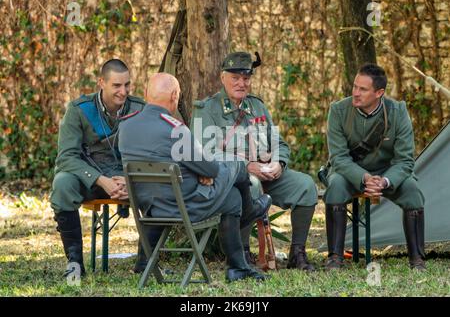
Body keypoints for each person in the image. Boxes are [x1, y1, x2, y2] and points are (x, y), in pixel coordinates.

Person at [118, 72, 271, 282]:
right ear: (174, 96)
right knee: (234, 168)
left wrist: (198, 171)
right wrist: (203, 173)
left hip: (150, 205)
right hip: (186, 206)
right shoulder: (175, 130)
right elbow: (210, 170)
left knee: (231, 197)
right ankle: (246, 230)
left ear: (145, 94)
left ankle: (145, 262)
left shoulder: (126, 126)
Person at [190, 52, 318, 271]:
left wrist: (278, 163)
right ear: (223, 78)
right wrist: (247, 166)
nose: (242, 83)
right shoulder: (207, 110)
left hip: (266, 172)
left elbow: (280, 144)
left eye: (246, 78)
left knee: (306, 186)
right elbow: (205, 154)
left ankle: (297, 253)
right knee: (250, 183)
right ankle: (242, 254)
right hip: (231, 179)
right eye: (235, 78)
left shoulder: (257, 107)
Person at [323, 63, 426, 270]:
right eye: (355, 87)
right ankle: (335, 257)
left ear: (379, 92)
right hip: (351, 173)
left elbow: (405, 160)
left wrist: (384, 181)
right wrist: (365, 178)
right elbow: (339, 158)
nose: (356, 93)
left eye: (363, 89)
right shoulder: (338, 111)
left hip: (387, 174)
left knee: (413, 191)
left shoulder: (398, 112)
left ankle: (417, 259)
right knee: (335, 186)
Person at [50, 59, 147, 277]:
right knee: (63, 183)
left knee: (160, 185)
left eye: (127, 85)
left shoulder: (140, 109)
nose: (123, 92)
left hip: (129, 180)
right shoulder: (79, 110)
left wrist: (129, 178)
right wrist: (100, 180)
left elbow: (154, 152)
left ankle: (146, 263)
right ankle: (75, 265)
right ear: (101, 82)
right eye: (117, 86)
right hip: (91, 180)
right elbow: (66, 157)